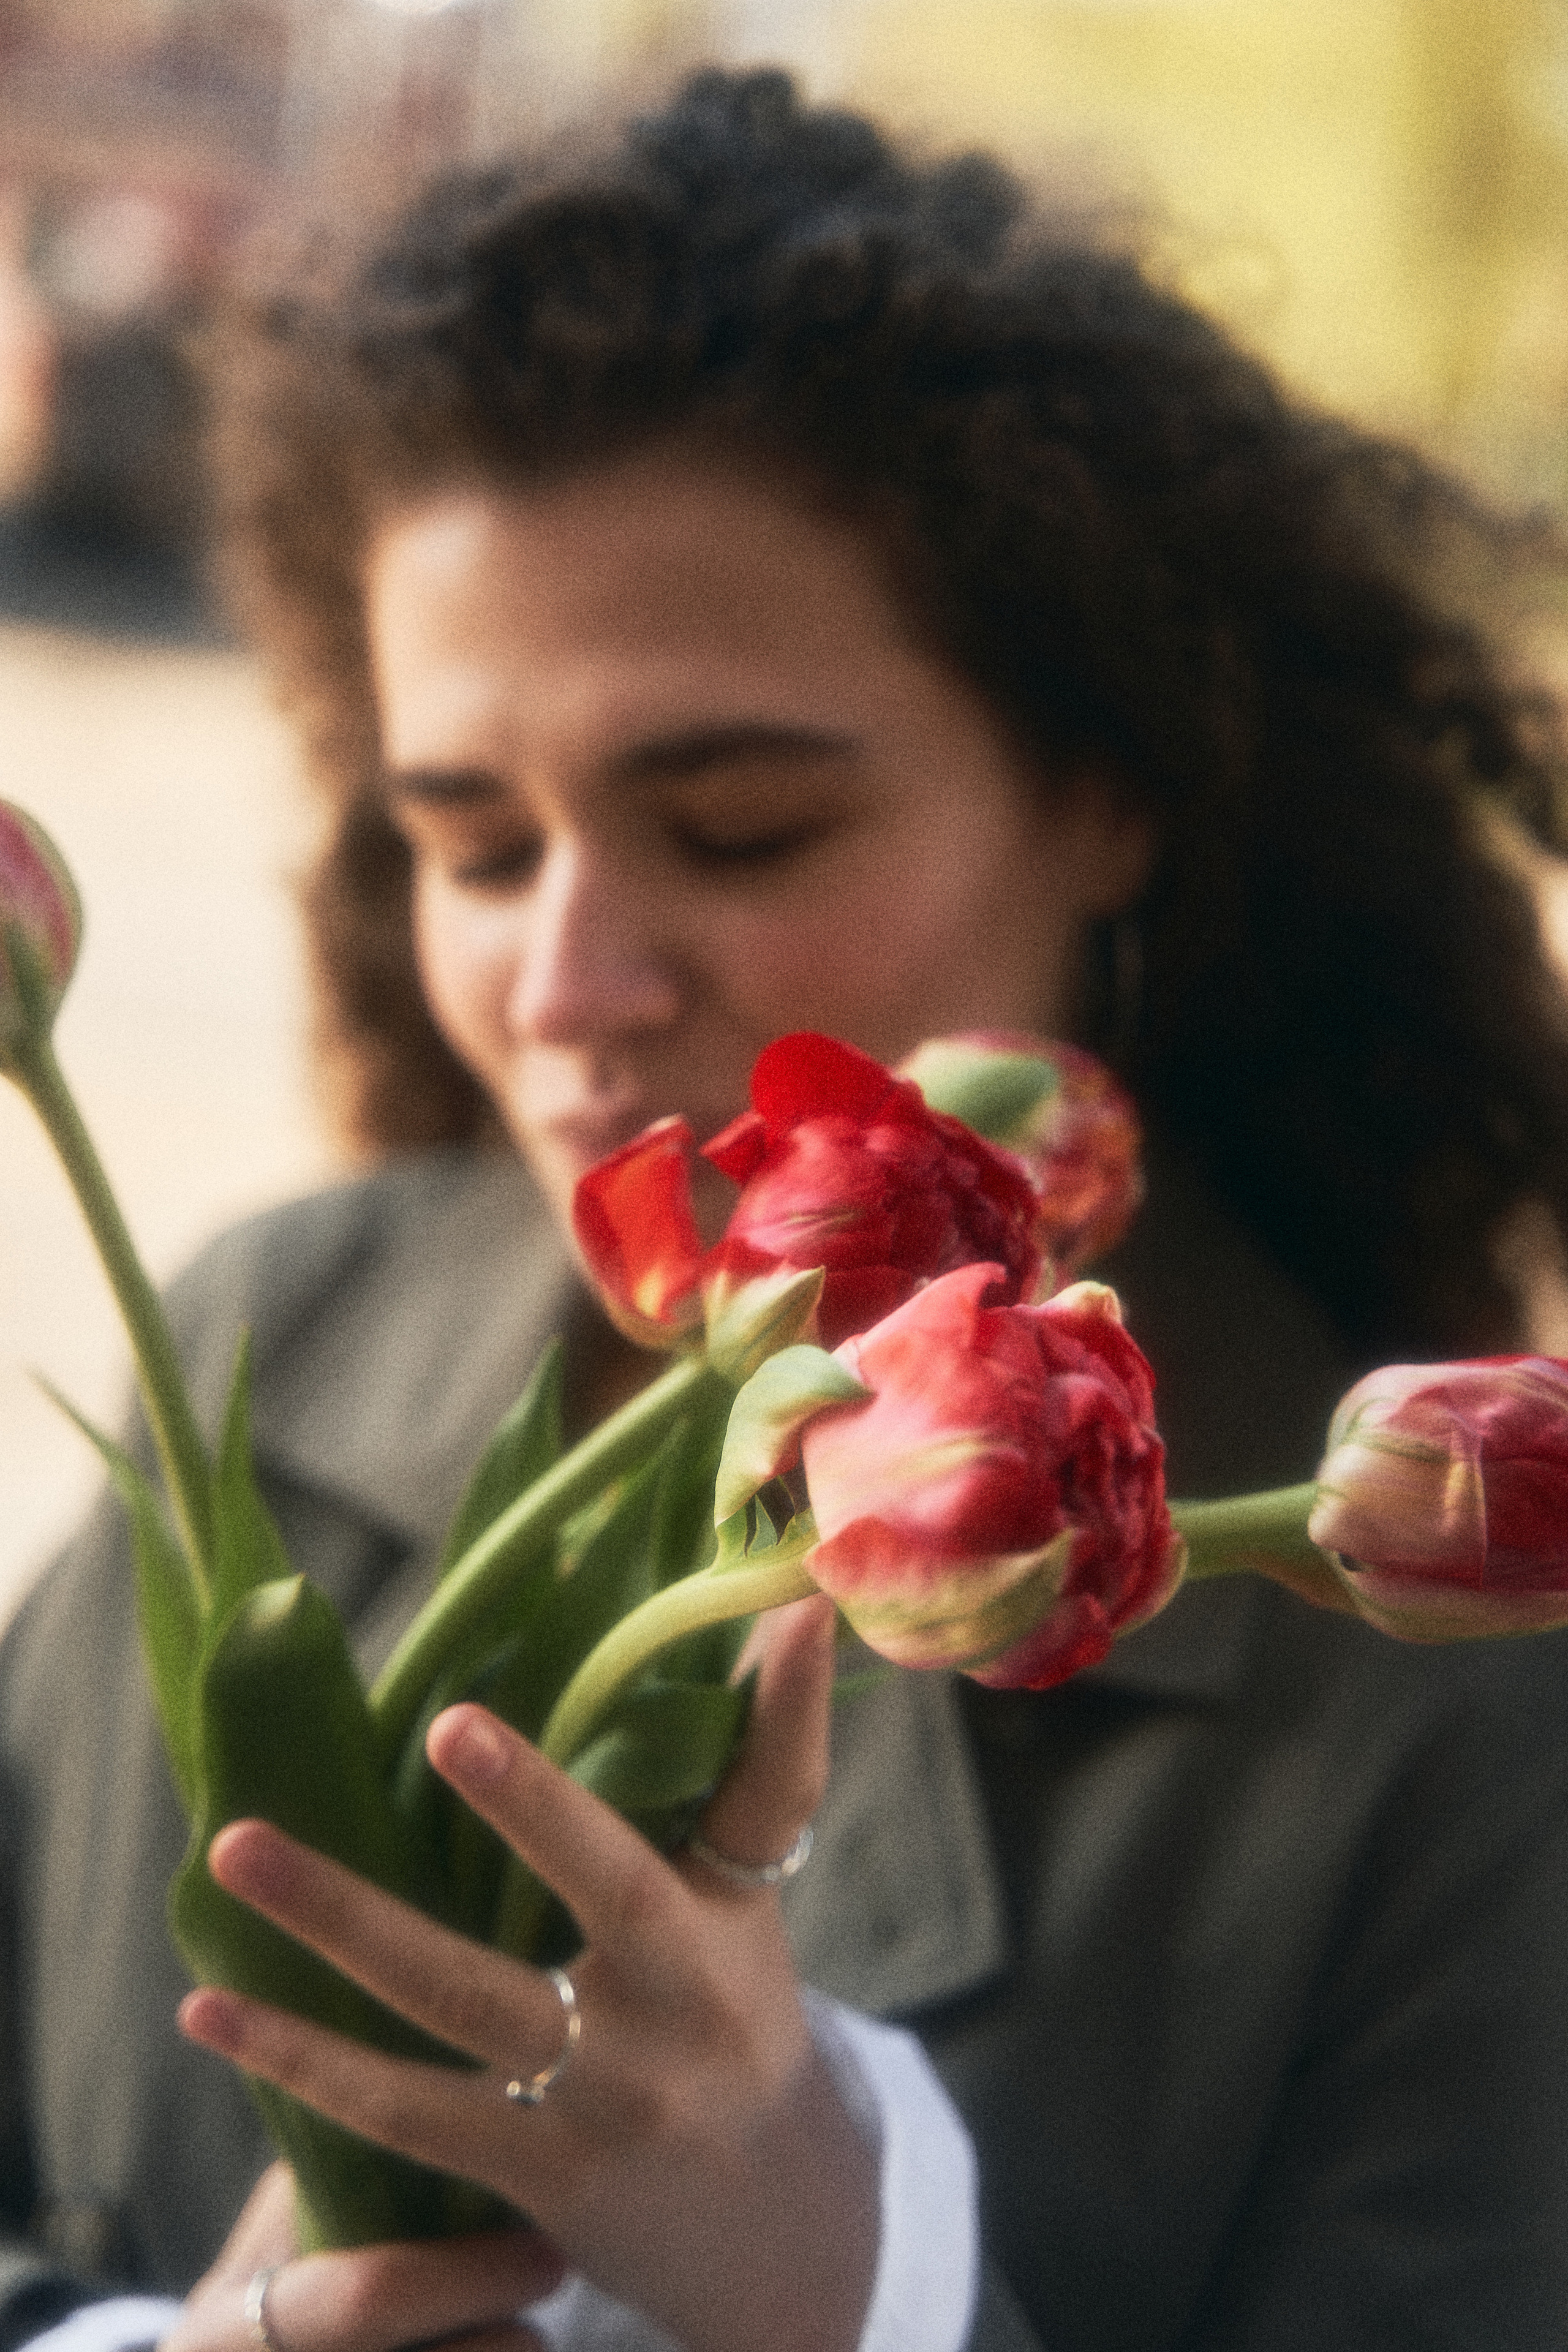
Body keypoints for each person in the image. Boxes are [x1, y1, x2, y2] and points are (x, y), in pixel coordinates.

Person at [6, 62, 1568, 2352]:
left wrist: (860, 2276)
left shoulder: (1436, 1718)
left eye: (737, 826)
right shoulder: (253, 1359)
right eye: (464, 843)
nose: (558, 988)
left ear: (1113, 791)